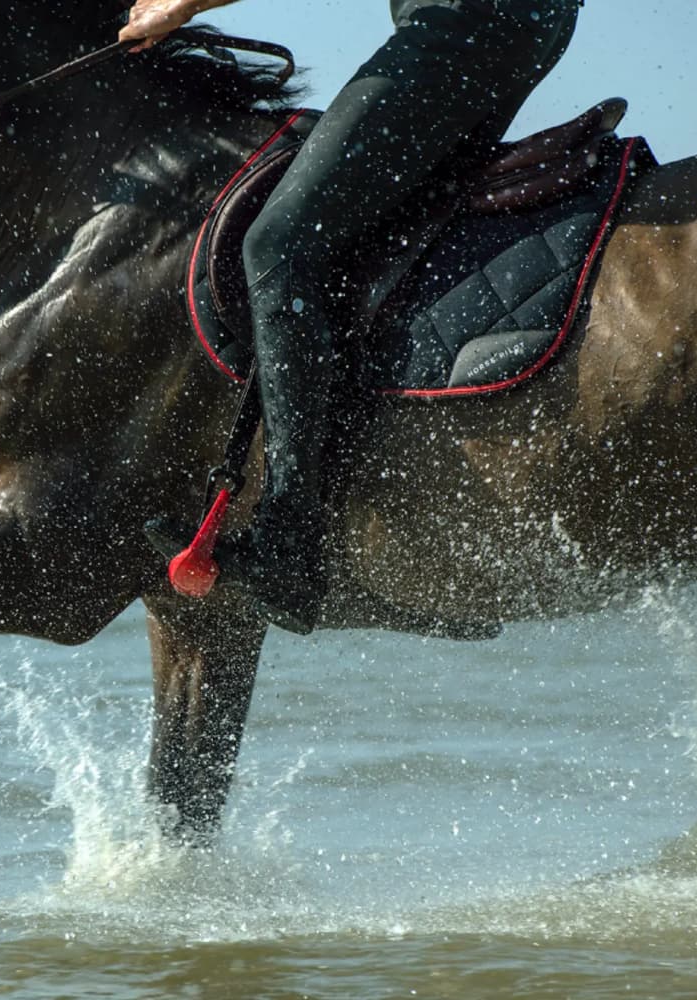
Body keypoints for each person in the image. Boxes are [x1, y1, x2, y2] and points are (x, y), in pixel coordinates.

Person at [123, 0, 581, 633]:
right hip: (518, 23)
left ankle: (290, 536)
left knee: (278, 244)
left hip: (463, 20)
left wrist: (185, 6)